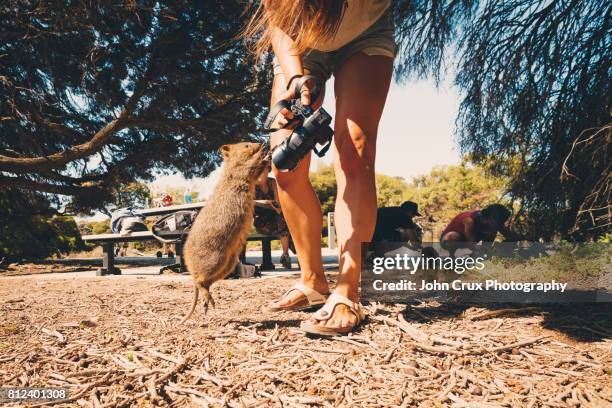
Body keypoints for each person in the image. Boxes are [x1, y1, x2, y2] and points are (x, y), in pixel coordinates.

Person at [245, 0, 396, 335]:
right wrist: (298, 81)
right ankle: (312, 281)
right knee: (285, 163)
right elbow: (279, 22)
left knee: (354, 151)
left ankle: (348, 292)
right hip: (303, 42)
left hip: (364, 35)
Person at [440, 204, 518, 257]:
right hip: (448, 241)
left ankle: (483, 256)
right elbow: (471, 242)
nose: (501, 225)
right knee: (453, 236)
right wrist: (476, 250)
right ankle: (450, 259)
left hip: (468, 242)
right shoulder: (469, 220)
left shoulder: (491, 222)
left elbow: (507, 233)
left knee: (492, 230)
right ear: (492, 218)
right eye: (500, 222)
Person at [254, 170, 292, 269]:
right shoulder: (252, 184)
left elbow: (277, 201)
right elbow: (247, 201)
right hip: (261, 221)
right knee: (286, 230)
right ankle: (286, 255)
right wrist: (265, 202)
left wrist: (275, 206)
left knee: (282, 222)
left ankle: (286, 255)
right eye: (262, 171)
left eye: (266, 170)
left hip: (275, 217)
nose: (265, 173)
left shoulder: (272, 182)